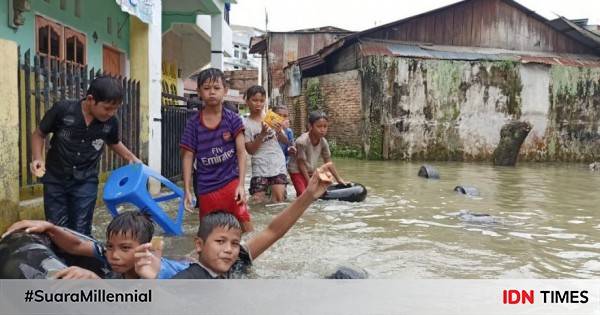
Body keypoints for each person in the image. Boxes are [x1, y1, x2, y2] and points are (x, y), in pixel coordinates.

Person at [133, 163, 335, 279]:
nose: (229, 249)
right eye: (220, 242)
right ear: (199, 245)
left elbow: (273, 231)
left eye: (235, 243)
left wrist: (309, 195)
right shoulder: (190, 277)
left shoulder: (237, 260)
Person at [30, 76, 141, 236]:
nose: (111, 113)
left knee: (81, 231)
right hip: (55, 180)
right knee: (56, 229)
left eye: (115, 108)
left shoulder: (110, 122)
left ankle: (79, 260)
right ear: (90, 99)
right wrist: (38, 158)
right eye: (107, 108)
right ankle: (61, 260)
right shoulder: (62, 110)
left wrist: (131, 158)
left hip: (86, 182)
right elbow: (39, 134)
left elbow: (114, 142)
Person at [2, 211, 189, 279]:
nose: (114, 255)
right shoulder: (113, 257)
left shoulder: (161, 275)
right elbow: (76, 246)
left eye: (125, 248)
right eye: (110, 246)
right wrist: (49, 227)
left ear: (145, 249)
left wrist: (95, 281)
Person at [180, 68, 252, 232]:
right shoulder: (193, 124)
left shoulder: (233, 119)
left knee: (246, 226)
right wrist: (187, 190)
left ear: (225, 91)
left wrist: (241, 185)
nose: (212, 92)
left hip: (231, 183)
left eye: (216, 88)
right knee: (208, 233)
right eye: (206, 88)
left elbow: (242, 153)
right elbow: (187, 157)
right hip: (206, 188)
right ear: (198, 92)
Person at [243, 86, 290, 203]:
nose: (258, 104)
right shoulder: (245, 124)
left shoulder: (271, 117)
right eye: (254, 100)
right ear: (247, 101)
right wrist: (262, 134)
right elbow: (250, 151)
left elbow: (286, 141)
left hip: (277, 161)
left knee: (279, 199)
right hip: (259, 164)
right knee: (257, 200)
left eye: (261, 101)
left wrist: (279, 131)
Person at [288, 111, 347, 196]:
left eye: (325, 126)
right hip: (296, 170)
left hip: (310, 170)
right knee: (303, 194)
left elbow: (328, 162)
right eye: (319, 126)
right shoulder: (302, 142)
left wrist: (338, 179)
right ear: (310, 126)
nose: (322, 129)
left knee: (320, 191)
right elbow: (301, 164)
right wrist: (310, 182)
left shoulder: (323, 142)